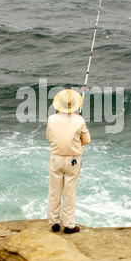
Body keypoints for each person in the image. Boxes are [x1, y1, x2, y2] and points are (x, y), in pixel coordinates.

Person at [46, 88, 91, 234]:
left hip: (56, 159)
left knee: (54, 192)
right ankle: (69, 225)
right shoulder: (79, 120)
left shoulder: (52, 119)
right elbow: (87, 140)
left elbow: (49, 137)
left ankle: (54, 222)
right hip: (73, 161)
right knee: (69, 193)